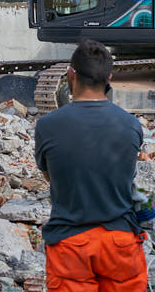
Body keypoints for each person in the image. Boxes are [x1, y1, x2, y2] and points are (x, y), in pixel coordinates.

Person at [34, 39, 147, 292]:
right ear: (109, 77)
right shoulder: (130, 125)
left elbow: (51, 176)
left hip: (69, 243)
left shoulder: (47, 125)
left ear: (71, 73)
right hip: (120, 241)